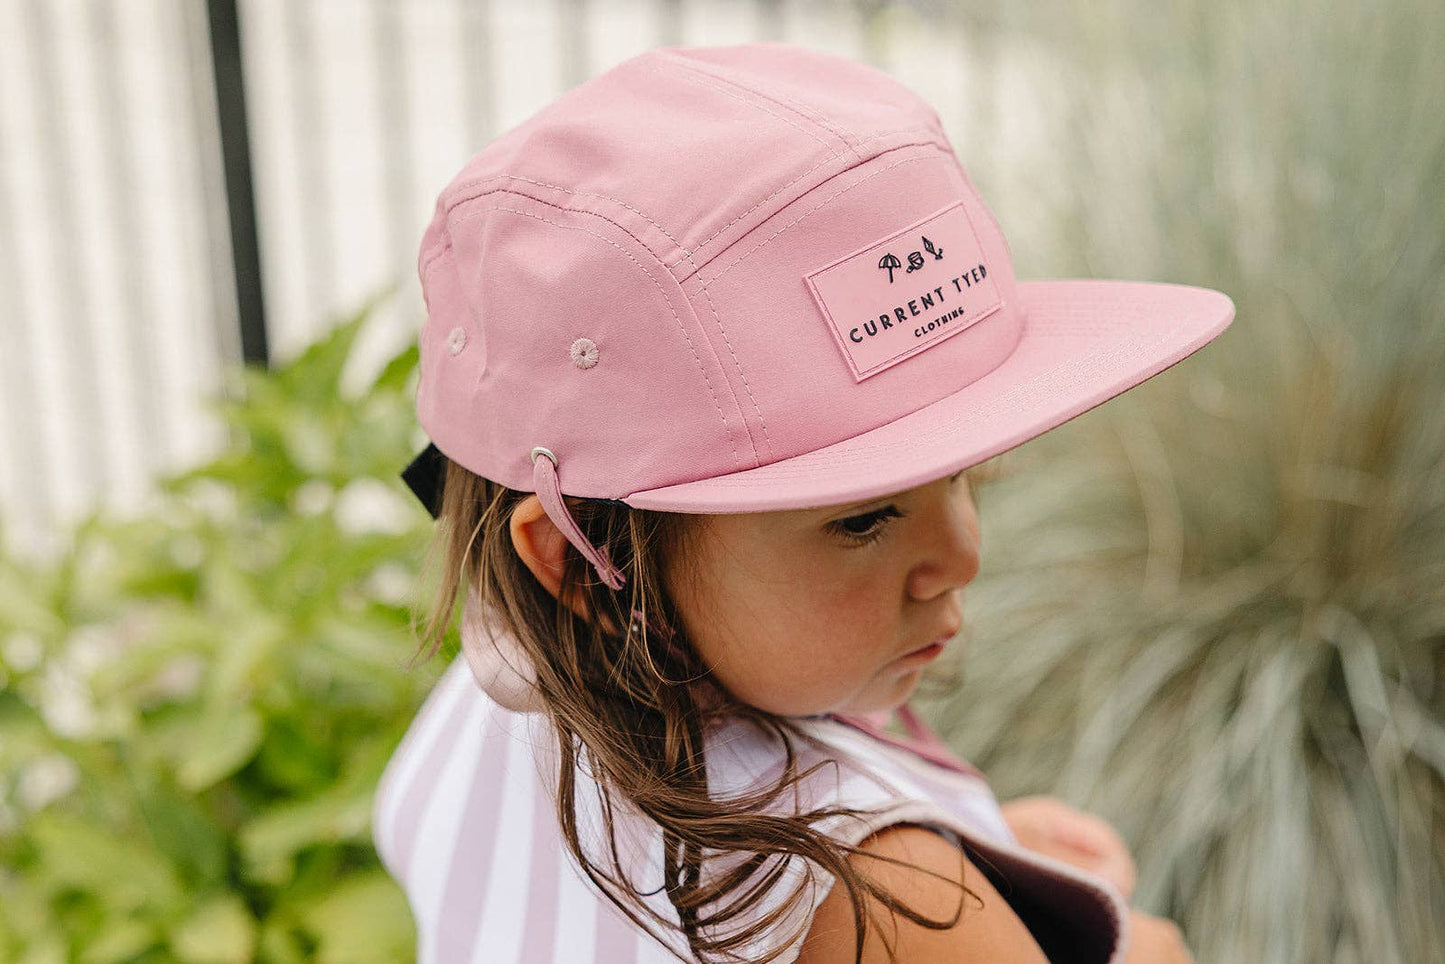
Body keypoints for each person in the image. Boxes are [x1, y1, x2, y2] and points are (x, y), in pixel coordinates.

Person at [372, 41, 1232, 964]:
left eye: (961, 470)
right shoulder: (890, 906)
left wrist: (972, 842)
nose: (963, 554)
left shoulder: (503, 684)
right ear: (577, 564)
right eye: (860, 516)